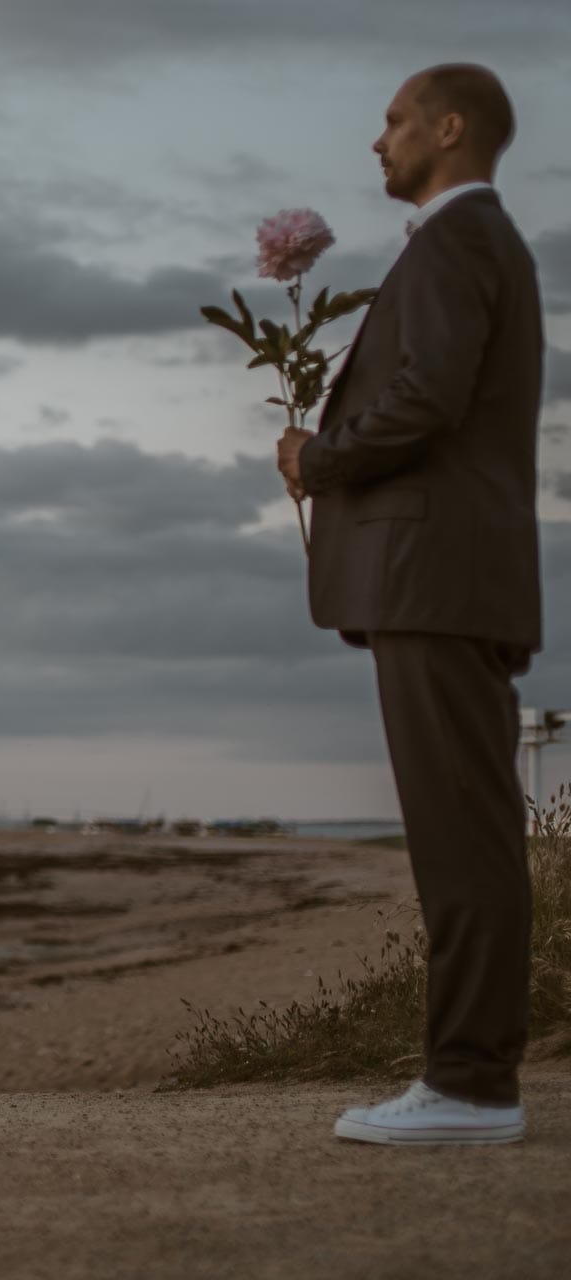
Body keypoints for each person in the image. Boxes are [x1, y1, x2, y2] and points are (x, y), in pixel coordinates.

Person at [277, 63, 542, 1145]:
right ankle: (469, 1075)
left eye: (390, 121)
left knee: (460, 833)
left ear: (447, 127)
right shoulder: (473, 244)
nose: (374, 141)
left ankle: (469, 1084)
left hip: (433, 575)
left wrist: (319, 456)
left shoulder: (455, 238)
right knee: (464, 828)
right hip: (451, 575)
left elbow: (424, 396)